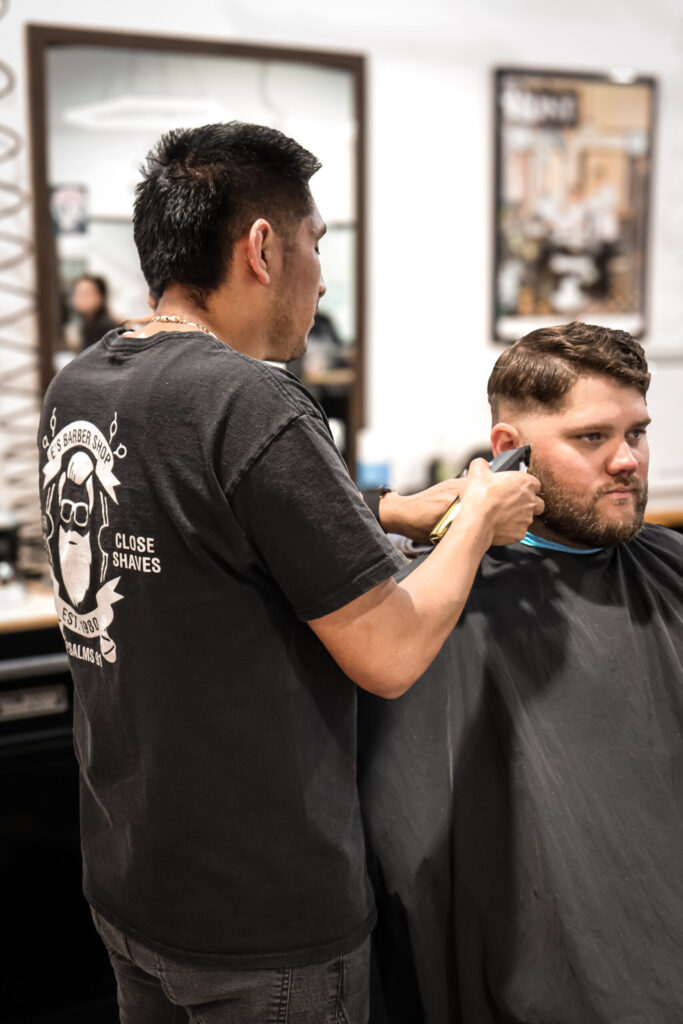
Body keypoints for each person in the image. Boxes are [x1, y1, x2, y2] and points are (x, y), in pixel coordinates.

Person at [37, 121, 542, 1024]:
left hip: (131, 880)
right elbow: (387, 652)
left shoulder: (85, 382)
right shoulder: (250, 397)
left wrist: (382, 510)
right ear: (261, 247)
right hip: (260, 922)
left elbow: (197, 521)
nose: (318, 275)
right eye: (316, 246)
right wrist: (478, 521)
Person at [359, 321, 683, 1024]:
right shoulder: (436, 606)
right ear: (508, 451)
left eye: (636, 433)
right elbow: (417, 867)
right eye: (591, 438)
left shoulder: (669, 570)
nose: (626, 461)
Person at [70, 274, 118, 349]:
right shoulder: (87, 324)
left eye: (86, 294)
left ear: (101, 297)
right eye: (77, 293)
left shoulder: (107, 328)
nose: (79, 299)